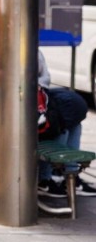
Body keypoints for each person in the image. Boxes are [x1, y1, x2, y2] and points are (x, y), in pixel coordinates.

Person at [37, 49, 95, 214]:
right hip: (33, 108)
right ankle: (47, 177)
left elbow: (45, 76)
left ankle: (68, 174)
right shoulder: (22, 48)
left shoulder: (33, 49)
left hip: (40, 101)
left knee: (73, 123)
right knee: (62, 125)